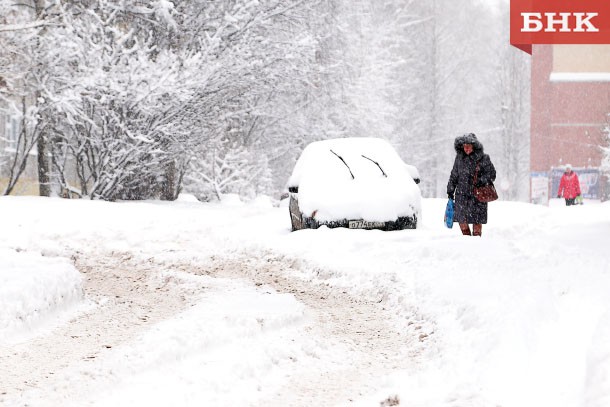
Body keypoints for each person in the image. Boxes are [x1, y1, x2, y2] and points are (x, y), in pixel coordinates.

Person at [447, 133, 496, 237]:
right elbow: (454, 175)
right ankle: (467, 240)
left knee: (477, 221)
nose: (466, 149)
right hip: (461, 195)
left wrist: (481, 181)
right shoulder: (459, 158)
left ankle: (476, 242)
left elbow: (492, 174)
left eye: (469, 146)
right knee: (461, 220)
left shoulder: (484, 158)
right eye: (465, 146)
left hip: (477, 195)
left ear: (474, 146)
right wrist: (450, 190)